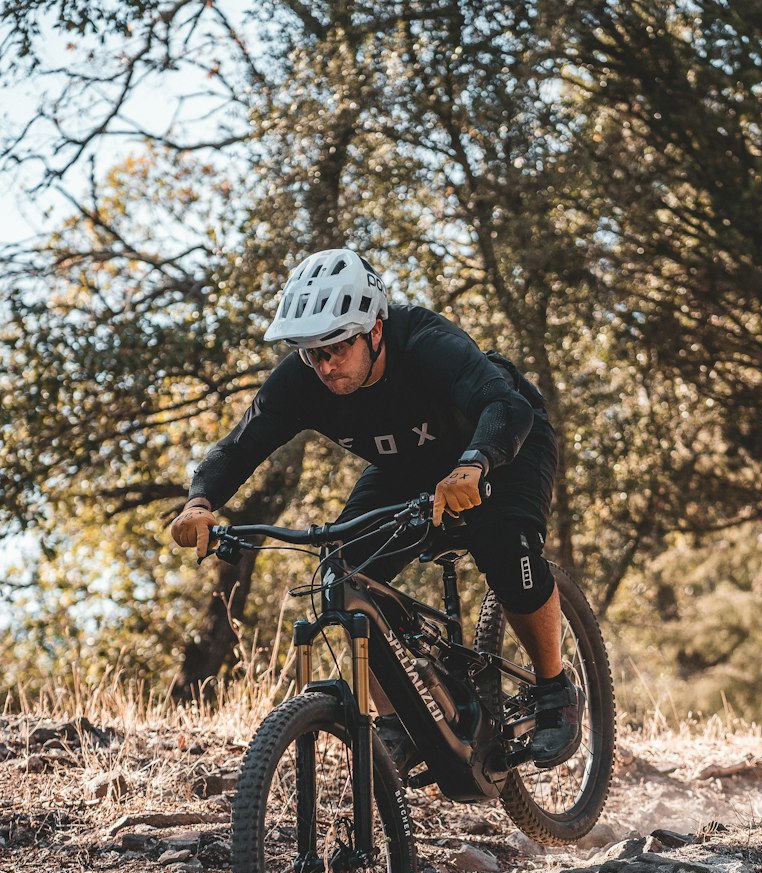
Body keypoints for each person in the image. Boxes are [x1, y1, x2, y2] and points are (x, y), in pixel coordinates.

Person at [170, 247, 580, 766]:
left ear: (376, 330)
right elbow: (238, 446)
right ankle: (400, 721)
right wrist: (198, 503)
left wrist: (475, 463)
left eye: (337, 348)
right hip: (407, 466)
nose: (324, 365)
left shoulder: (427, 343)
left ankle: (555, 693)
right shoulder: (304, 378)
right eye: (311, 353)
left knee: (505, 546)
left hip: (501, 442)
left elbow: (505, 407)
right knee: (342, 576)